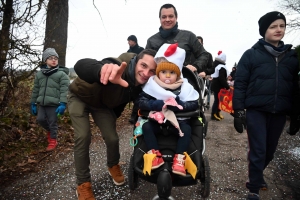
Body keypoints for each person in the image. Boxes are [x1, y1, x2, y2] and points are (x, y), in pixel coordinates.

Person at [68, 49, 157, 200]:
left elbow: (131, 103)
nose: (146, 72)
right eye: (143, 65)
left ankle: (113, 164)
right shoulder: (118, 65)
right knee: (83, 136)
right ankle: (83, 183)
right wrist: (101, 70)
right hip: (79, 96)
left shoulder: (142, 86)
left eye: (152, 71)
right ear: (136, 61)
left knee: (112, 138)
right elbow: (81, 65)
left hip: (101, 106)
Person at [232, 11, 300, 200]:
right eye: (273, 26)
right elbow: (241, 83)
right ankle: (253, 188)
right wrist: (238, 111)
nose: (278, 30)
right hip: (257, 111)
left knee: (270, 150)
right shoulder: (251, 55)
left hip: (280, 112)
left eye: (282, 26)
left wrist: (296, 115)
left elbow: (295, 89)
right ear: (264, 31)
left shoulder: (292, 58)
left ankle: (257, 173)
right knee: (259, 149)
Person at [139, 43, 199, 176]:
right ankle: (154, 155)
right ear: (158, 73)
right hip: (158, 121)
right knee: (146, 127)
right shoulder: (152, 85)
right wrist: (156, 104)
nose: (167, 76)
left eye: (172, 73)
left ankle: (179, 159)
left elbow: (194, 104)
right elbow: (141, 101)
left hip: (178, 123)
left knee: (187, 129)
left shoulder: (185, 88)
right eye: (163, 72)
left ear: (177, 75)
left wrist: (179, 104)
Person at [146, 3, 213, 78]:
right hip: (158, 84)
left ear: (176, 17)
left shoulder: (189, 36)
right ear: (160, 19)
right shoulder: (151, 41)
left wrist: (195, 66)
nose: (167, 19)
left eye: (171, 16)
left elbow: (204, 54)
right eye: (164, 17)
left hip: (185, 82)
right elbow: (146, 62)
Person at [30, 48, 70, 151]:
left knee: (53, 122)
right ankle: (50, 131)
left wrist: (63, 103)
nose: (54, 60)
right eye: (51, 58)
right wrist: (33, 103)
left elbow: (64, 90)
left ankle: (53, 139)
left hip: (54, 104)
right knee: (40, 119)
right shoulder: (39, 74)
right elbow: (36, 89)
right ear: (45, 60)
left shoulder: (62, 74)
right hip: (42, 104)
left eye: (56, 58)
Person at [127, 35, 145, 124]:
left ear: (134, 41)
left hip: (141, 78)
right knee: (134, 97)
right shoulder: (128, 52)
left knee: (138, 98)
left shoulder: (141, 50)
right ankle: (136, 114)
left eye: (130, 41)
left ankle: (135, 116)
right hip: (132, 79)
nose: (129, 43)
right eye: (128, 41)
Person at [210, 51, 230, 121]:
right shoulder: (221, 67)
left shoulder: (218, 66)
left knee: (219, 101)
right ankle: (213, 114)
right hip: (218, 86)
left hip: (217, 86)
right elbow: (222, 78)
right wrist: (227, 86)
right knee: (217, 101)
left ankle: (217, 112)